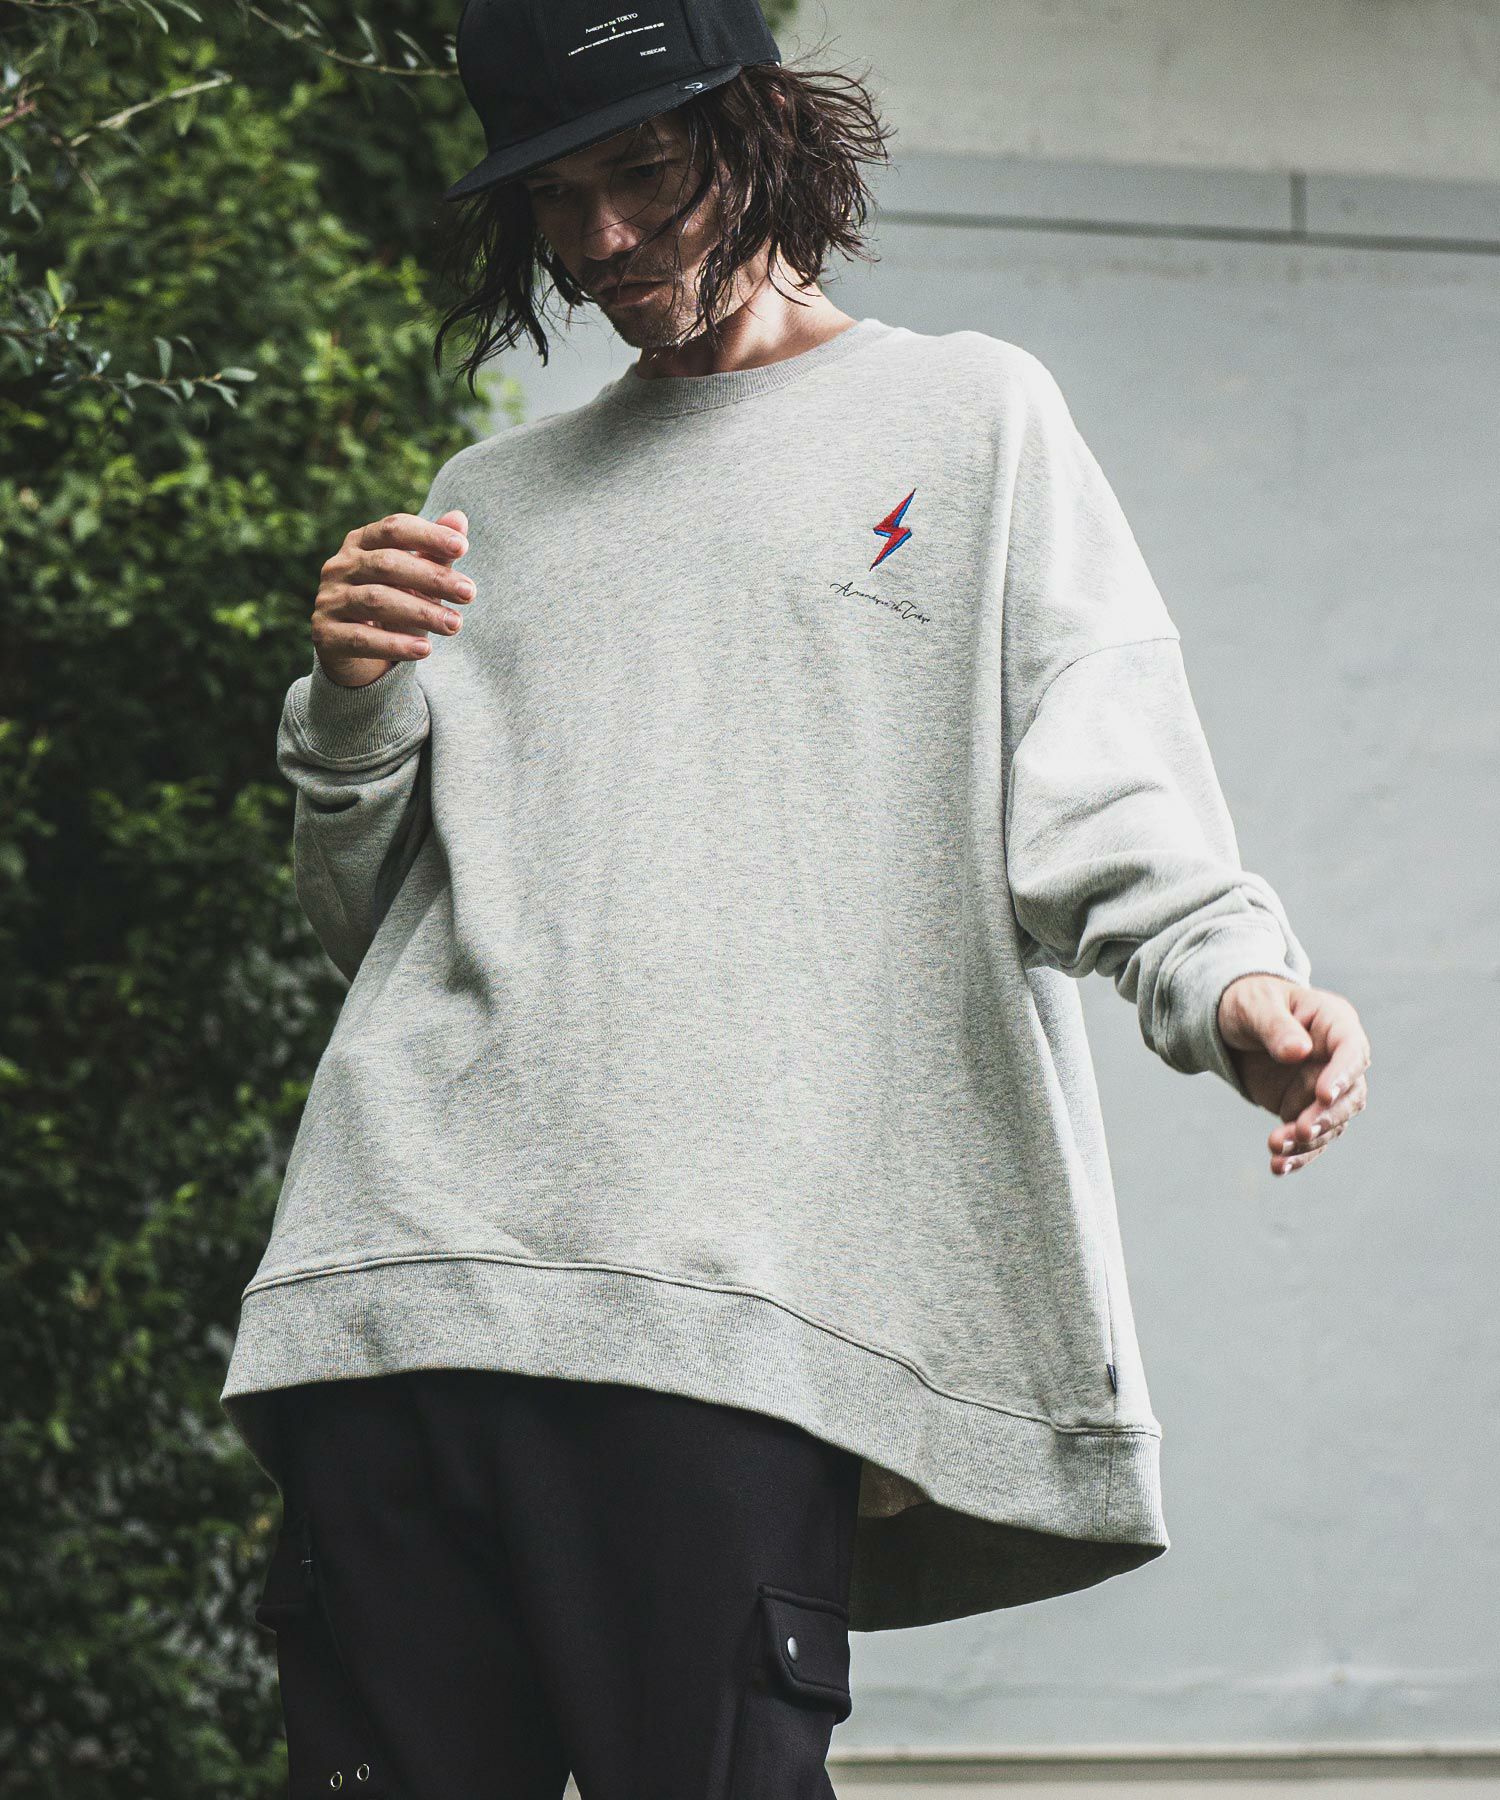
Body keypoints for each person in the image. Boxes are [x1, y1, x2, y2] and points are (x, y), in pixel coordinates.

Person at [222, 1, 1373, 1795]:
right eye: (557, 199)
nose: (603, 237)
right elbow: (382, 931)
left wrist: (1229, 984)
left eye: (646, 171)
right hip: (393, 1286)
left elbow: (1103, 780)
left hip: (720, 1308)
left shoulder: (967, 417)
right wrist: (355, 705)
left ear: (764, 137)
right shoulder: (488, 505)